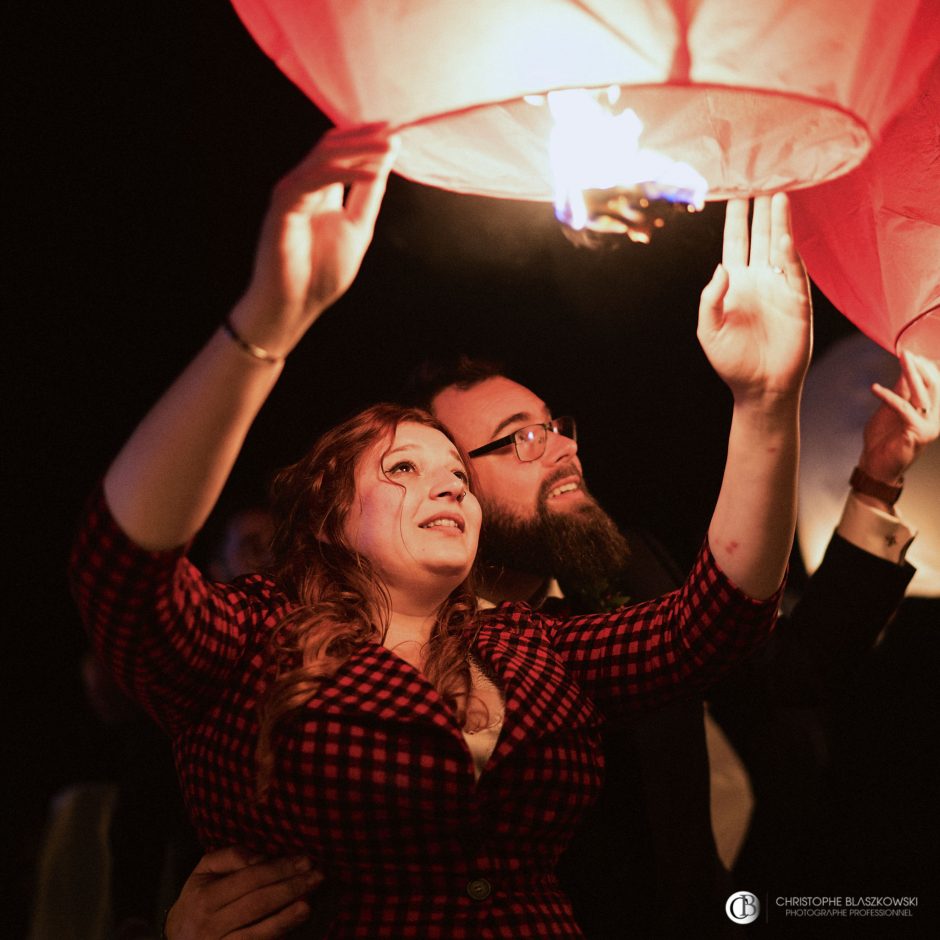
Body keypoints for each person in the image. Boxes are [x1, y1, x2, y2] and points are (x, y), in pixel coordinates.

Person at [71, 126, 812, 938]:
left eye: (455, 474)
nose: (447, 485)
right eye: (402, 471)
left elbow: (717, 620)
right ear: (330, 521)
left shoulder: (537, 647)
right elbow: (122, 567)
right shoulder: (252, 641)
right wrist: (270, 321)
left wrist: (766, 402)